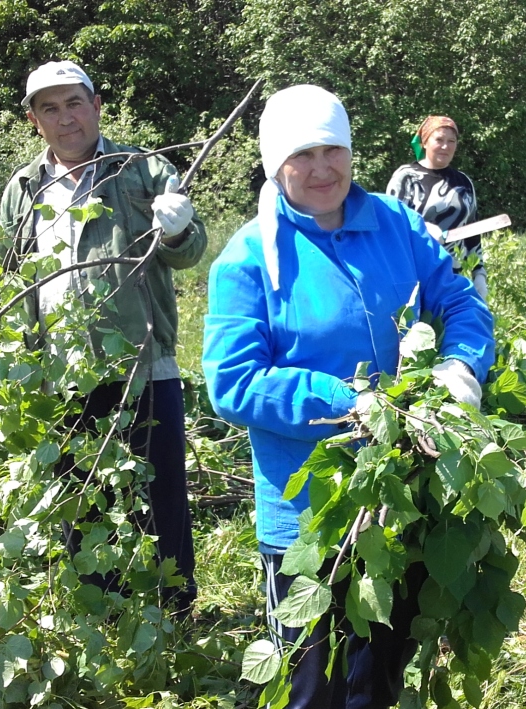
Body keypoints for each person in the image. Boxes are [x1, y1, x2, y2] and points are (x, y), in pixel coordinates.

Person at [202, 85, 495, 708]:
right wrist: (342, 400)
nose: (321, 168)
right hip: (307, 506)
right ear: (273, 162)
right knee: (314, 681)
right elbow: (232, 382)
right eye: (302, 154)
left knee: (380, 670)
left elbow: (461, 301)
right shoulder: (249, 258)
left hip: (404, 490)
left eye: (333, 150)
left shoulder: (395, 224)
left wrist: (462, 365)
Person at [0, 60, 208, 614]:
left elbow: (188, 253)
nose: (65, 117)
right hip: (57, 374)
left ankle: (175, 615)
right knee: (82, 498)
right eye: (50, 108)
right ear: (33, 120)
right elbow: (10, 276)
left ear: (96, 106)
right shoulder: (22, 188)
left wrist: (180, 226)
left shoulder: (141, 170)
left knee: (159, 498)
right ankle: (102, 614)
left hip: (141, 362)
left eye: (74, 103)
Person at [386, 116, 488, 300]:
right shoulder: (405, 177)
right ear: (425, 142)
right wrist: (422, 228)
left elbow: (472, 234)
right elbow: (391, 225)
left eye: (451, 141)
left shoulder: (464, 182)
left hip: (453, 279)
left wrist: (479, 274)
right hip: (413, 279)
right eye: (439, 140)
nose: (445, 146)